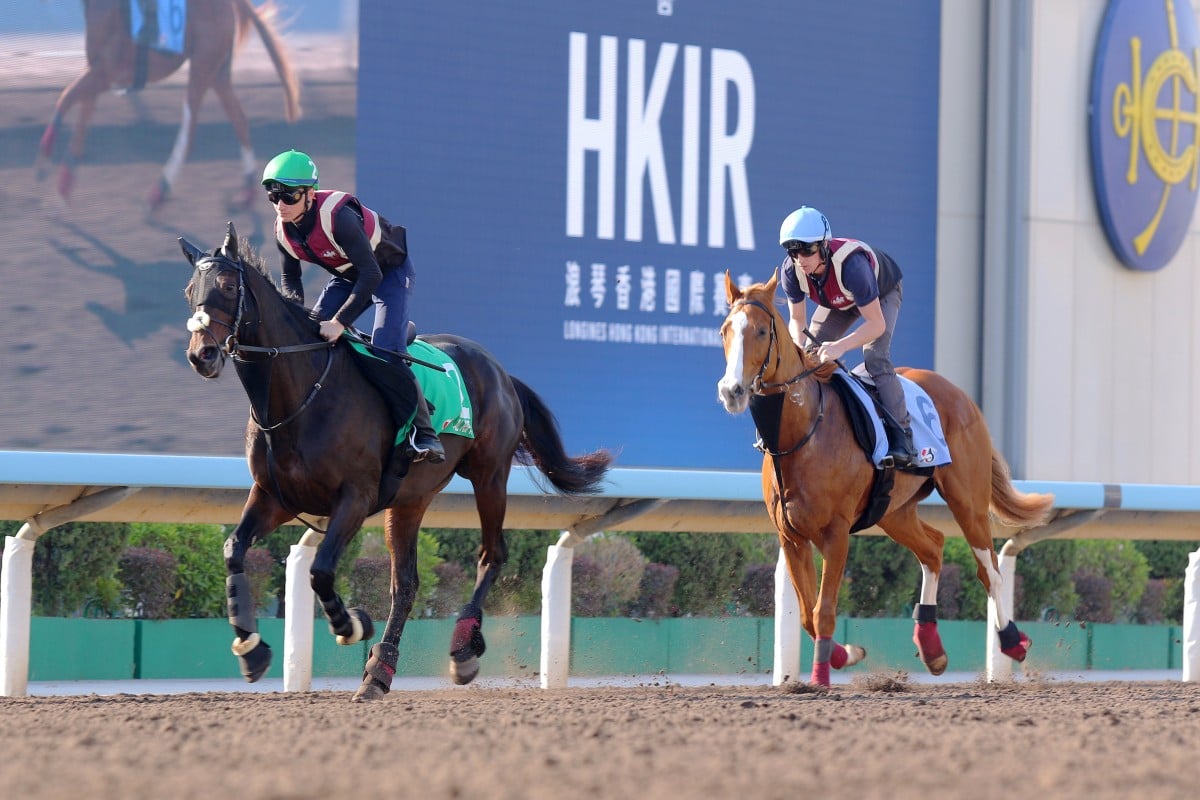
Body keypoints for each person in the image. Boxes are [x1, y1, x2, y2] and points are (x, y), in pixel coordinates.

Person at [260, 148, 446, 466]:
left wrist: (340, 321)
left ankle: (424, 432)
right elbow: (291, 282)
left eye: (289, 196)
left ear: (309, 194)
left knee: (386, 350)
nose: (280, 205)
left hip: (388, 273)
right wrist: (294, 315)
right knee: (311, 337)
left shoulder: (339, 217)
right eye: (273, 196)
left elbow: (372, 273)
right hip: (348, 277)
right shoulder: (282, 231)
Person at [776, 206, 916, 468]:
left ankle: (903, 437)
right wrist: (799, 352)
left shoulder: (853, 267)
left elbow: (875, 324)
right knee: (809, 356)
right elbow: (797, 321)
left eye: (807, 250)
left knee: (874, 357)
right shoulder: (790, 271)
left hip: (881, 292)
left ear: (824, 246)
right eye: (793, 252)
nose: (800, 259)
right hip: (840, 299)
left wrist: (840, 347)